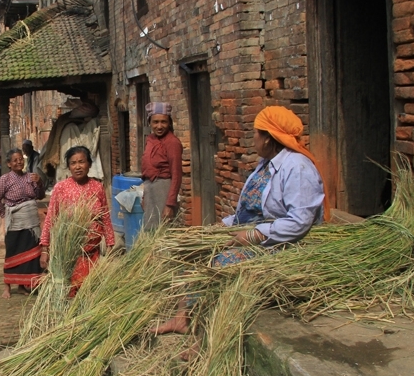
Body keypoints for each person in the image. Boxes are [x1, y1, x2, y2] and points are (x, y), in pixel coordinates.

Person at [153, 105, 327, 336]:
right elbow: (250, 210)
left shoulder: (298, 168)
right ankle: (181, 318)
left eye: (256, 133)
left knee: (219, 264)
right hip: (250, 234)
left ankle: (206, 337)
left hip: (279, 244)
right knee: (192, 254)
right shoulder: (266, 164)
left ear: (268, 138)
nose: (253, 138)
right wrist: (223, 225)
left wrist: (255, 235)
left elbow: (299, 222)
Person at [39, 146, 116, 297]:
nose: (78, 166)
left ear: (89, 164)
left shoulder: (97, 187)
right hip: (69, 255)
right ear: (68, 167)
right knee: (71, 292)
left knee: (90, 291)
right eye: (73, 163)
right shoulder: (61, 188)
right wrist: (44, 249)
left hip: (92, 254)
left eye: (82, 162)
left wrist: (110, 243)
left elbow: (105, 217)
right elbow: (50, 219)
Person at [0, 149, 46, 298]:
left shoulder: (30, 177)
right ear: (9, 164)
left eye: (21, 159)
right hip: (15, 222)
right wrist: (5, 214)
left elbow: (40, 196)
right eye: (14, 160)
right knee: (13, 252)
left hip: (31, 221)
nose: (19, 162)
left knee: (32, 254)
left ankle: (24, 285)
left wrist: (39, 183)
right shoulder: (5, 179)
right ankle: (7, 287)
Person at [140, 102, 183, 231]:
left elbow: (176, 175)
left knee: (163, 231)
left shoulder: (172, 142)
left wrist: (169, 204)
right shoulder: (150, 139)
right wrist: (144, 195)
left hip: (163, 190)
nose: (159, 126)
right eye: (155, 122)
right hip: (150, 189)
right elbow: (148, 169)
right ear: (150, 123)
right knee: (150, 230)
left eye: (163, 122)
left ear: (169, 122)